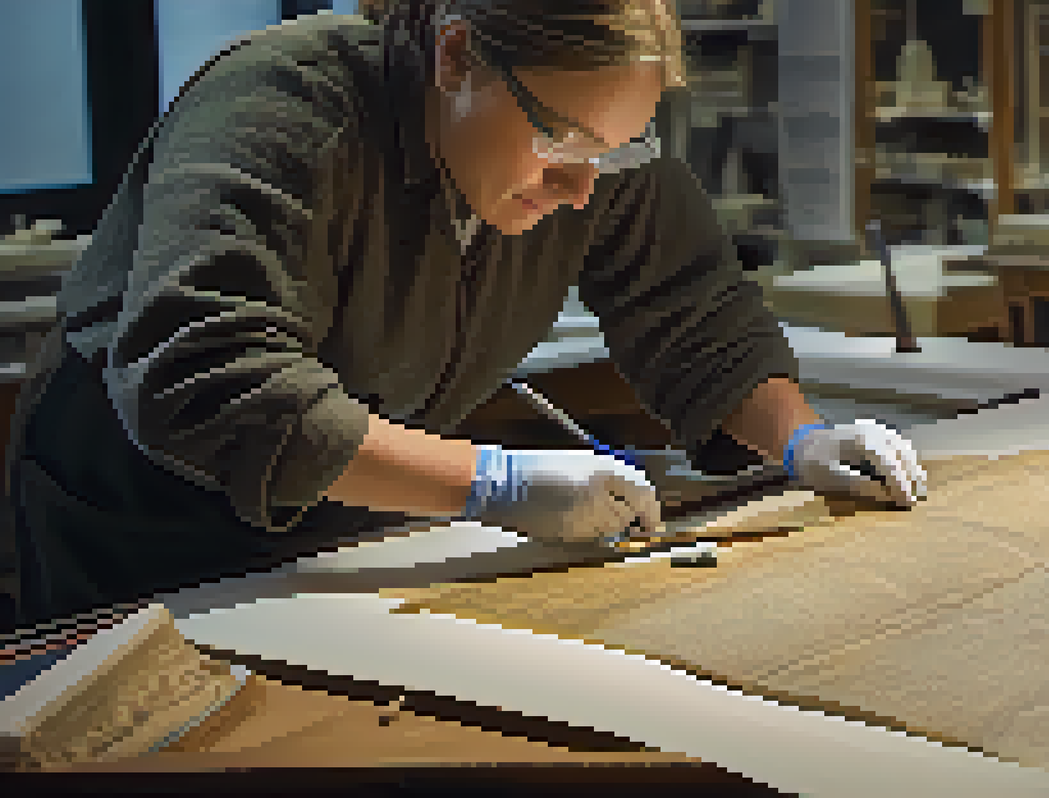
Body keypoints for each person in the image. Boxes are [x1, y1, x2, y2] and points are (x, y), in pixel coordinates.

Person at [0, 0, 927, 633]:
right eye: (561, 141)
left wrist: (802, 442)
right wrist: (489, 483)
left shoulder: (589, 148)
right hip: (137, 528)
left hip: (332, 517)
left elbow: (697, 308)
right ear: (456, 56)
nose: (581, 186)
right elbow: (208, 374)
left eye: (615, 149)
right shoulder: (287, 104)